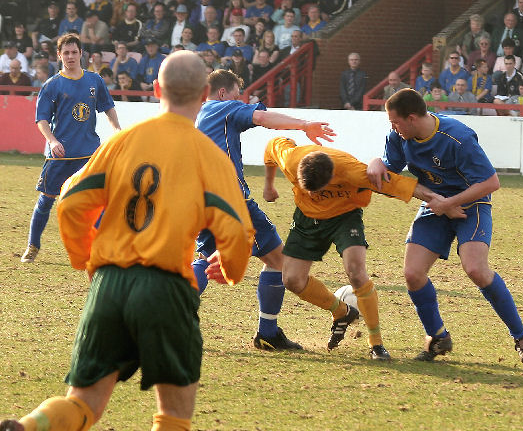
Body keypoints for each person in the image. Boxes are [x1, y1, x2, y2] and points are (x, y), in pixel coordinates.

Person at [2, 50, 255, 431]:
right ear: (206, 93)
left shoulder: (123, 143)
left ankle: (29, 426)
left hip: (110, 285)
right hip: (166, 287)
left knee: (83, 403)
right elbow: (237, 229)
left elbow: (70, 202)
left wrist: (88, 259)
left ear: (155, 89)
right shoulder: (210, 156)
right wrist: (232, 267)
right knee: (173, 414)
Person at [366, 89, 523, 363]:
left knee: (476, 270)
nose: (393, 128)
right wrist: (377, 162)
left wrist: (449, 203)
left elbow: (491, 182)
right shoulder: (398, 137)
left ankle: (521, 337)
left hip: (471, 205)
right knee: (412, 274)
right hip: (435, 206)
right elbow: (391, 171)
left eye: (395, 122)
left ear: (411, 118)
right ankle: (437, 337)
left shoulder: (457, 136)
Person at [191, 69, 334, 353]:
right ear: (223, 93)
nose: (239, 102)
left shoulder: (197, 114)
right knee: (278, 259)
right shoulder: (225, 108)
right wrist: (305, 125)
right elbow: (262, 117)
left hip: (198, 199)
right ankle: (267, 333)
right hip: (230, 200)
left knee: (207, 257)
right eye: (236, 95)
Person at [259, 137, 434, 360]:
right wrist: (268, 185)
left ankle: (376, 344)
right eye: (308, 189)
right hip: (307, 219)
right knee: (292, 280)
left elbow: (395, 183)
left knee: (356, 271)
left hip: (345, 216)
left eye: (319, 190)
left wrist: (436, 198)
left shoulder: (352, 171)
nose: (313, 194)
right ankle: (342, 312)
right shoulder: (292, 159)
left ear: (333, 177)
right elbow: (272, 146)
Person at [21, 33, 121, 263]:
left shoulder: (94, 80)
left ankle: (101, 247)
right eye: (66, 52)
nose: (70, 56)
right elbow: (42, 119)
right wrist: (53, 141)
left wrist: (117, 129)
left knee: (99, 201)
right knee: (46, 200)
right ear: (59, 55)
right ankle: (33, 246)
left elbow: (108, 107)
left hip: (89, 154)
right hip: (60, 155)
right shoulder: (52, 85)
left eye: (74, 52)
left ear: (81, 53)